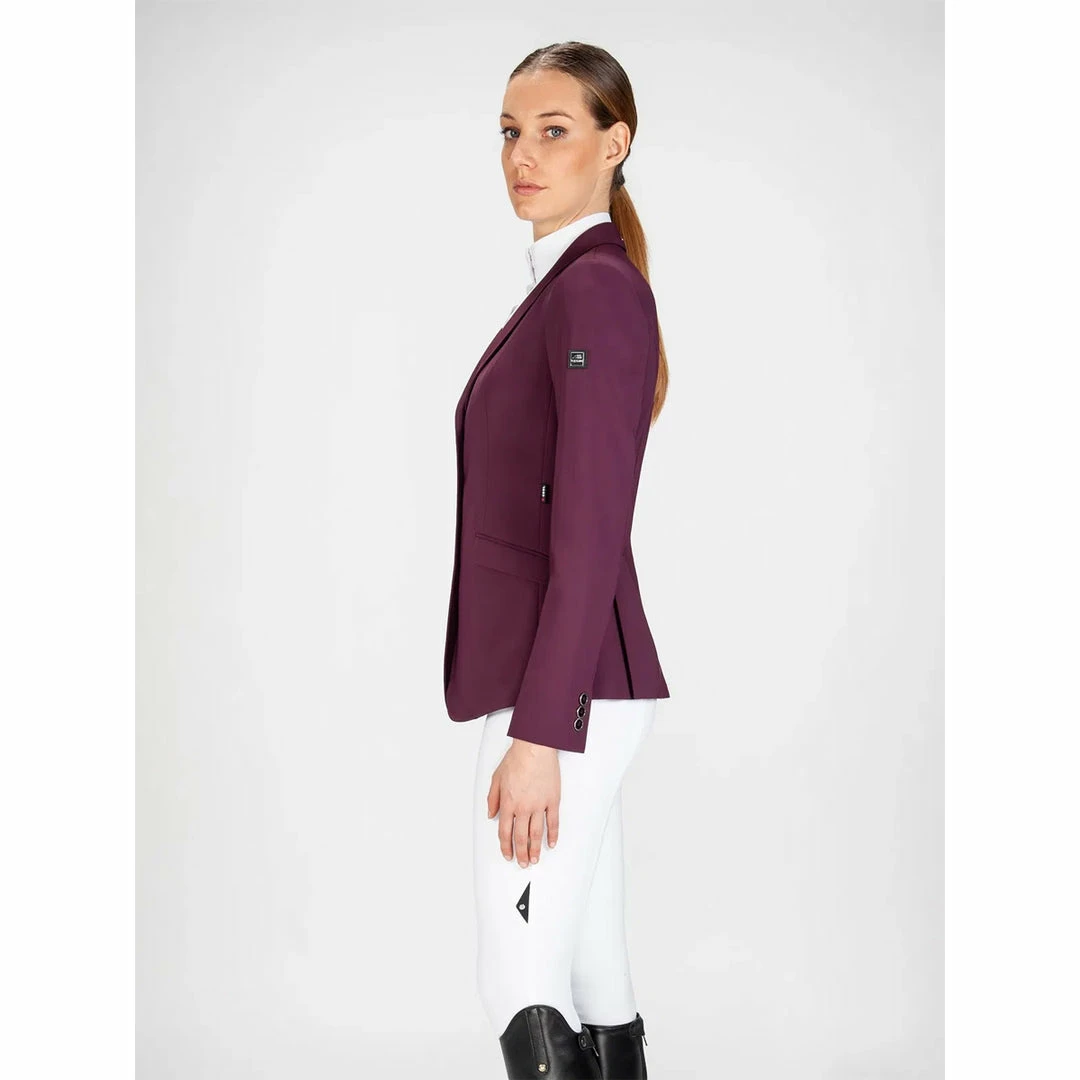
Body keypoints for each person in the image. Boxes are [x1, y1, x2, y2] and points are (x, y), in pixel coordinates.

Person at [442, 41, 671, 1079]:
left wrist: (541, 732)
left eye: (553, 130)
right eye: (509, 132)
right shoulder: (570, 286)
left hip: (565, 693)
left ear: (614, 144)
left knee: (519, 982)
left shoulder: (596, 292)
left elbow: (589, 528)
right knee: (595, 981)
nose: (521, 156)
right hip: (576, 683)